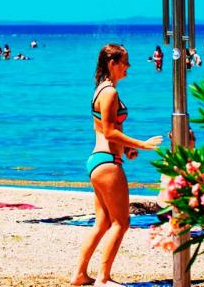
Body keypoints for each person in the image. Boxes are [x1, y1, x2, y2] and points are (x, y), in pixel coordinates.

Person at [72, 44, 163, 287]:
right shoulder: (109, 92)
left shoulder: (101, 90)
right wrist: (142, 144)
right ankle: (103, 278)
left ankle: (80, 274)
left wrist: (127, 149)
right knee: (121, 223)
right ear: (112, 63)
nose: (128, 67)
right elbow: (110, 132)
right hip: (108, 163)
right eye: (125, 62)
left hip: (99, 161)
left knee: (102, 223)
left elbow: (107, 131)